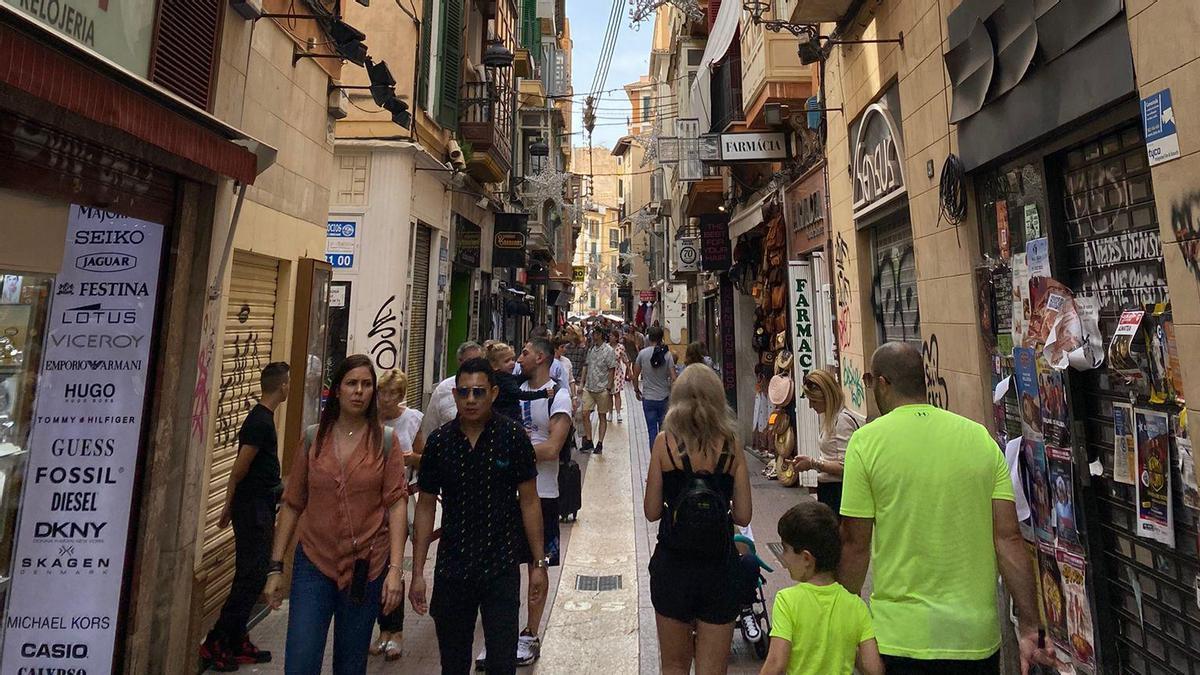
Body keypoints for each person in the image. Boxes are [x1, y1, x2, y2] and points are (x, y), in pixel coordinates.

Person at [838, 343, 1060, 675]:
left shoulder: (866, 443)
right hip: (974, 640)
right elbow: (1009, 540)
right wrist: (1030, 626)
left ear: (882, 383)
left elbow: (856, 546)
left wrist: (841, 616)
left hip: (901, 638)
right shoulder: (980, 439)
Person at [262, 355, 408, 674]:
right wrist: (275, 567)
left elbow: (397, 504)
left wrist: (395, 570)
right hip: (314, 561)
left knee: (351, 663)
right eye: (352, 383)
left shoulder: (385, 441)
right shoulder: (315, 438)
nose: (359, 391)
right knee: (301, 661)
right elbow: (292, 503)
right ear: (337, 390)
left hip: (365, 568)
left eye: (366, 384)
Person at [408, 357, 549, 675]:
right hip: (452, 568)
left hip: (500, 566)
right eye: (464, 392)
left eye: (479, 392)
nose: (471, 400)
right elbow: (427, 505)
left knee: (502, 663)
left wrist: (538, 564)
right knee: (453, 663)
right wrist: (417, 572)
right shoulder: (440, 443)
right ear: (455, 395)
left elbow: (529, 501)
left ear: (494, 394)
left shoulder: (512, 438)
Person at [644, 364, 752, 675]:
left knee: (674, 666)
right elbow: (743, 514)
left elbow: (651, 511)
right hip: (719, 568)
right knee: (713, 669)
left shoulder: (664, 443)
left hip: (672, 568)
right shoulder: (732, 444)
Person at [201, 362, 290, 671]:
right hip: (251, 508)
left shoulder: (264, 418)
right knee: (249, 576)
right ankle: (217, 641)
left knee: (253, 575)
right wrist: (227, 506)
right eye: (288, 383)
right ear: (282, 386)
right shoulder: (259, 422)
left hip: (259, 505)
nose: (289, 387)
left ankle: (237, 638)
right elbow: (239, 469)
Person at [508, 337, 573, 666]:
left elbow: (552, 449)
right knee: (504, 568)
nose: (520, 358)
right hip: (508, 494)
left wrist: (508, 452)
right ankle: (502, 632)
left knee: (538, 564)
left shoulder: (559, 397)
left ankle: (530, 633)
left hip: (544, 493)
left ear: (542, 358)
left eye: (525, 353)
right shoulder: (510, 390)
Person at [760, 501, 882, 675]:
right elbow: (873, 669)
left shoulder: (787, 601)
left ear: (807, 558)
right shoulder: (857, 606)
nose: (783, 558)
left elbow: (776, 664)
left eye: (786, 550)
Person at [370, 369, 426, 661]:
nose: (386, 399)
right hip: (370, 500)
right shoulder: (369, 418)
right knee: (375, 566)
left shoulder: (412, 419)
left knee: (393, 564)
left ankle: (396, 631)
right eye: (382, 392)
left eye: (392, 393)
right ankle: (383, 629)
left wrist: (405, 457)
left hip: (399, 498)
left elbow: (423, 457)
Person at [790, 369, 864, 516]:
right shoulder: (831, 419)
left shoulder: (842, 420)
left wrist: (813, 463)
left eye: (814, 401)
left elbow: (846, 466)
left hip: (837, 491)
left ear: (827, 397)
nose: (811, 406)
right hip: (830, 488)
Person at [419, 341, 483, 439]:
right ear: (460, 361)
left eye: (479, 361)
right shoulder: (443, 389)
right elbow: (430, 426)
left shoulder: (490, 388)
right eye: (470, 361)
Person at [485, 341, 556, 423]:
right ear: (495, 366)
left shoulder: (499, 378)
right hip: (509, 417)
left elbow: (516, 379)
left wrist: (527, 375)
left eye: (512, 359)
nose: (514, 363)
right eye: (507, 361)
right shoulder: (504, 380)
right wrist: (542, 393)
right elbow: (520, 394)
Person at [632, 325, 676, 447]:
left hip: (648, 398)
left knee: (652, 430)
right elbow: (673, 378)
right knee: (664, 430)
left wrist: (636, 390)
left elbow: (635, 375)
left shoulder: (642, 354)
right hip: (664, 398)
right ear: (661, 338)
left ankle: (655, 457)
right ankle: (665, 456)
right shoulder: (667, 355)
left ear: (649, 338)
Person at [579, 328, 617, 454]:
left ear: (600, 335)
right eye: (592, 334)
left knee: (602, 416)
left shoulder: (608, 350)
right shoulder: (591, 349)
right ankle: (589, 440)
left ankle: (600, 442)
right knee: (584, 413)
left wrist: (608, 387)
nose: (593, 336)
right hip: (589, 387)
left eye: (595, 334)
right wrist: (582, 383)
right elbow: (586, 365)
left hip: (602, 388)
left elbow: (612, 369)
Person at [609, 329, 628, 424]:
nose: (610, 337)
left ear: (616, 338)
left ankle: (618, 413)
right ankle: (610, 412)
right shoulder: (606, 347)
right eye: (610, 335)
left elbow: (625, 359)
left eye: (612, 336)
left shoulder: (620, 347)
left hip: (617, 372)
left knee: (617, 393)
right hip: (608, 373)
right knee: (608, 395)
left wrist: (630, 371)